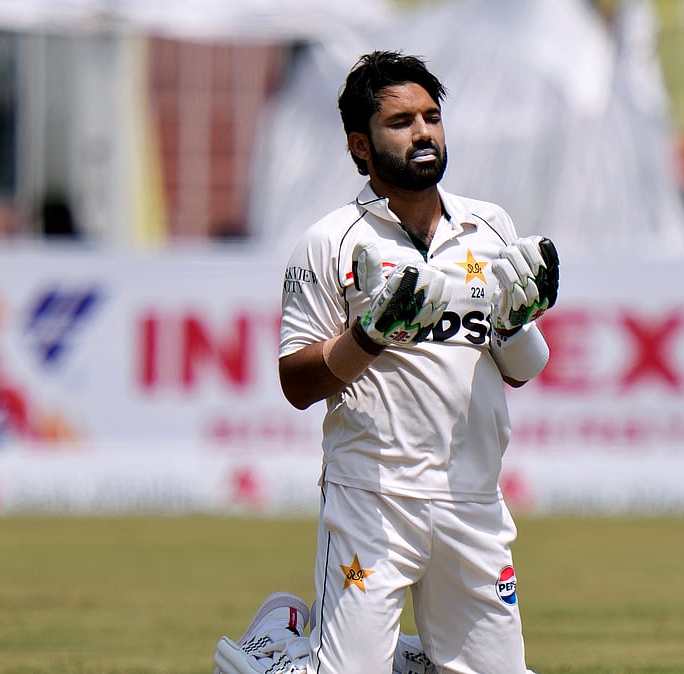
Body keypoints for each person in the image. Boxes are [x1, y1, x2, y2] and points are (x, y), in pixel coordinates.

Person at [217, 50, 558, 674]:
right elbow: (297, 383)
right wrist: (371, 335)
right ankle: (278, 650)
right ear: (361, 145)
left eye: (431, 117)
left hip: (472, 497)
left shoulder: (490, 227)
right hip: (372, 497)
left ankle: (405, 661)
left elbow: (521, 368)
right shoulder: (331, 241)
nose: (423, 132)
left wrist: (516, 321)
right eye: (400, 122)